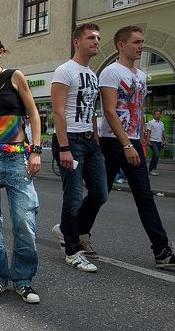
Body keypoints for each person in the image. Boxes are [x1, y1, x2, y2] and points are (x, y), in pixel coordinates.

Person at [99, 25, 175, 269]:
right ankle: (74, 231)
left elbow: (138, 108)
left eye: (142, 42)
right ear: (121, 45)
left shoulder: (141, 76)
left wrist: (140, 136)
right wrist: (126, 145)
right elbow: (110, 111)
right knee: (100, 193)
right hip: (113, 141)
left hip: (132, 140)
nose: (141, 46)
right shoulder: (111, 72)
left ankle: (162, 252)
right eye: (136, 42)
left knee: (144, 196)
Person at [0, 31, 42, 304]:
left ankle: (23, 280)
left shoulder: (15, 76)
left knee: (24, 221)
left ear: (0, 51)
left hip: (16, 158)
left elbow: (33, 113)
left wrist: (35, 151)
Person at [50, 23, 108, 272]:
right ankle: (72, 250)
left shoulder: (93, 74)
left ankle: (66, 229)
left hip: (88, 141)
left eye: (98, 37)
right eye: (91, 38)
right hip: (70, 140)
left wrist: (95, 139)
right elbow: (58, 111)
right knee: (73, 198)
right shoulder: (65, 71)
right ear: (77, 42)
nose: (96, 41)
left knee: (100, 192)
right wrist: (64, 147)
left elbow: (91, 110)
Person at [146, 109, 168, 176]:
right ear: (154, 115)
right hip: (153, 141)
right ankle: (151, 170)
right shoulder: (150, 123)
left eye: (159, 114)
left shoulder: (161, 123)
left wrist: (166, 140)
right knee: (156, 154)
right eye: (158, 114)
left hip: (159, 142)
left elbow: (163, 132)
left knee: (156, 156)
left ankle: (152, 169)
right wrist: (148, 141)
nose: (159, 115)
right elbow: (148, 132)